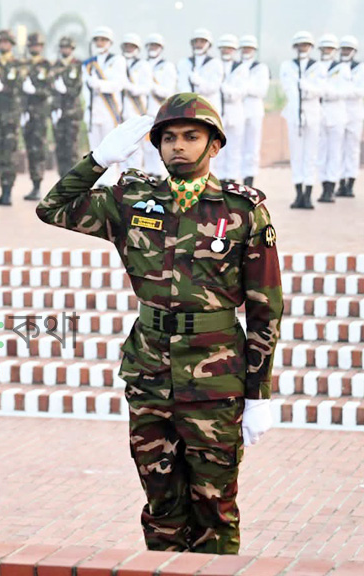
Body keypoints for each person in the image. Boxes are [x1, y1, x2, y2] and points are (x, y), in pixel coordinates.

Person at [37, 93, 282, 554]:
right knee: (161, 507)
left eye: (191, 137)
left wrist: (258, 394)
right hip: (150, 374)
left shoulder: (242, 210)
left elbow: (265, 308)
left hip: (216, 379)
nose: (178, 146)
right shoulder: (131, 200)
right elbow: (51, 207)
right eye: (168, 138)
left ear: (214, 145)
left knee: (215, 509)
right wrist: (98, 160)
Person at [281, 31, 325, 209]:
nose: (303, 47)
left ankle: (308, 194)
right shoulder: (287, 66)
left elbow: (321, 89)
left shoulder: (318, 66)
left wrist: (306, 89)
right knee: (297, 155)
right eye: (300, 44)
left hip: (312, 113)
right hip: (294, 113)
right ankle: (298, 193)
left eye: (306, 44)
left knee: (310, 155)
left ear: (311, 47)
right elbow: (288, 89)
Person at [82, 26, 126, 187]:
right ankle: (97, 180)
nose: (100, 43)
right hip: (93, 111)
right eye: (97, 40)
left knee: (110, 147)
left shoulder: (117, 60)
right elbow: (84, 90)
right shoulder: (88, 63)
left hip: (109, 111)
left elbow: (119, 84)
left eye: (103, 40)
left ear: (110, 42)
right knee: (95, 149)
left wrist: (99, 84)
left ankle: (110, 181)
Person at [0, 29, 25, 205]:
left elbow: (19, 87)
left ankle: (8, 191)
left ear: (11, 44)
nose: (3, 44)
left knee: (10, 153)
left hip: (11, 115)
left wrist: (2, 87)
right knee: (0, 153)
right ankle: (2, 191)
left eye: (6, 42)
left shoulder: (17, 64)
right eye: (1, 42)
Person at [317, 33, 350, 203]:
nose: (327, 50)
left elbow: (344, 90)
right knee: (321, 152)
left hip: (336, 111)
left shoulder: (342, 68)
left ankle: (331, 187)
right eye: (324, 48)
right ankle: (324, 186)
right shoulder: (316, 67)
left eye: (330, 48)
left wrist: (327, 91)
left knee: (335, 152)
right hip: (320, 111)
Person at [21, 32, 52, 201]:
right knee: (29, 149)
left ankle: (38, 185)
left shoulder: (46, 65)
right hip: (25, 113)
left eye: (37, 45)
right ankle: (33, 184)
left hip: (39, 114)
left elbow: (49, 89)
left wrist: (35, 91)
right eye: (32, 45)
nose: (35, 48)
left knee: (38, 149)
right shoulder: (23, 64)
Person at [216, 34, 248, 186]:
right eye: (224, 48)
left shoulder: (241, 68)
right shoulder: (214, 65)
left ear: (234, 50)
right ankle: (219, 181)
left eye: (229, 48)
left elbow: (241, 91)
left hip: (235, 111)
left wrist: (226, 90)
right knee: (218, 148)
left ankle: (232, 181)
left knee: (234, 148)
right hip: (218, 111)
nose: (226, 51)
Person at [237, 35, 269, 187]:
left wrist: (243, 88)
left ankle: (249, 181)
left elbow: (261, 90)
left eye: (249, 48)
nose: (246, 50)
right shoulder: (236, 67)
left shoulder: (260, 68)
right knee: (235, 147)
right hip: (238, 109)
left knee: (252, 147)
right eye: (244, 48)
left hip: (254, 109)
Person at [144, 34, 177, 178]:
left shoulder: (167, 66)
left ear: (161, 48)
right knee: (145, 147)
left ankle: (158, 174)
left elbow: (168, 91)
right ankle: (148, 174)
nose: (153, 48)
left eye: (156, 45)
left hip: (159, 111)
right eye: (151, 45)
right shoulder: (142, 65)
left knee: (158, 144)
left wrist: (152, 87)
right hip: (142, 111)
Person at [51, 36, 84, 178]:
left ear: (72, 49)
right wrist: (53, 108)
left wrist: (66, 90)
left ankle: (73, 181)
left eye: (67, 47)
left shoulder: (77, 65)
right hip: (58, 113)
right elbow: (51, 88)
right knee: (60, 149)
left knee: (72, 149)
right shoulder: (55, 66)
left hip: (72, 113)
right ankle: (62, 180)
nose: (65, 50)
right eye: (63, 47)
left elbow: (77, 89)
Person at [119, 34, 151, 173]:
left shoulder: (143, 65)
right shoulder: (118, 63)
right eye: (126, 46)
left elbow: (146, 87)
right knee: (121, 146)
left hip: (136, 110)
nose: (128, 48)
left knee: (136, 147)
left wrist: (130, 87)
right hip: (119, 111)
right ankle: (123, 176)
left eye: (131, 46)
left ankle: (134, 175)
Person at [339, 35, 363, 198]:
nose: (346, 51)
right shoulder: (336, 67)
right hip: (339, 111)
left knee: (352, 148)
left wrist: (342, 91)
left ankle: (350, 183)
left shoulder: (360, 68)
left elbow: (360, 91)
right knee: (338, 149)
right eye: (344, 49)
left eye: (349, 49)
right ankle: (340, 182)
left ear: (354, 51)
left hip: (354, 112)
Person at [177, 29, 223, 112]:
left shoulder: (216, 63)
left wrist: (199, 82)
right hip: (189, 108)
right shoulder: (184, 62)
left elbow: (214, 87)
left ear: (209, 44)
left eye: (202, 42)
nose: (198, 44)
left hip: (209, 108)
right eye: (196, 41)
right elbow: (182, 84)